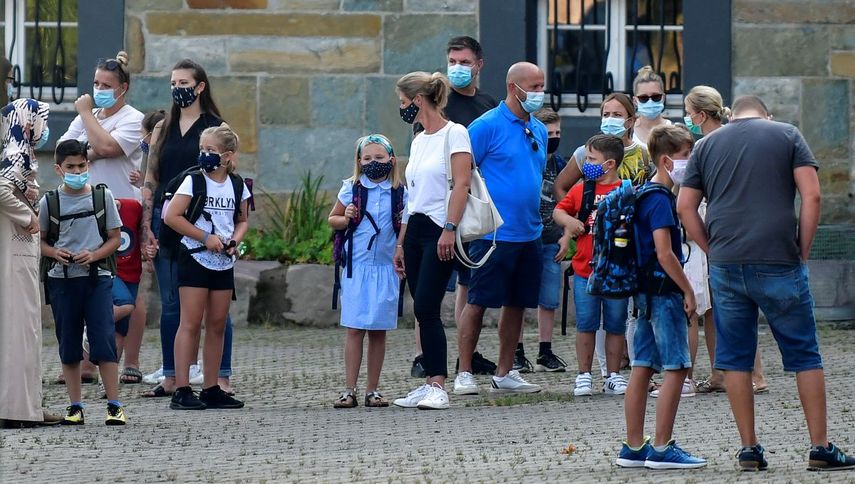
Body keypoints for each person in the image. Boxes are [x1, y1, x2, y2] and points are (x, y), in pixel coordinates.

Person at [677, 95, 855, 471]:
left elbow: (685, 206)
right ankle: (820, 448)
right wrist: (802, 250)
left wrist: (711, 247)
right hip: (779, 257)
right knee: (805, 354)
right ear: (766, 115)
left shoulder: (707, 145)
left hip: (726, 261)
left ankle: (749, 449)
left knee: (736, 358)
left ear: (733, 115)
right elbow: (813, 195)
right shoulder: (787, 135)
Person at [141, 59, 235, 398]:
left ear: (199, 87)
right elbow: (151, 177)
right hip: (168, 222)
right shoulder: (164, 127)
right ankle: (172, 375)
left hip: (206, 223)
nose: (176, 87)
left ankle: (219, 376)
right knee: (172, 304)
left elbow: (229, 178)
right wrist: (146, 226)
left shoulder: (215, 126)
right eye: (173, 81)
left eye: (183, 81)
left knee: (215, 306)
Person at [453, 61, 546, 396]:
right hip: (494, 234)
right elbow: (462, 173)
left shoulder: (539, 128)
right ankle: (464, 371)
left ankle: (505, 372)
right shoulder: (485, 126)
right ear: (513, 87)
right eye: (533, 87)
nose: (539, 93)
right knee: (478, 301)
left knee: (518, 304)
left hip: (529, 232)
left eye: (541, 86)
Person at [616, 124, 706, 469]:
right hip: (663, 293)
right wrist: (688, 289)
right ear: (667, 160)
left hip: (643, 294)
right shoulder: (661, 200)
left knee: (642, 366)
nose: (691, 163)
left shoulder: (643, 193)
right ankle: (663, 447)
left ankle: (634, 446)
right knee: (677, 367)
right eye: (687, 156)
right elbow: (665, 253)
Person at [410, 36, 499, 379]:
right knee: (427, 298)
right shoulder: (437, 110)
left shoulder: (487, 106)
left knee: (467, 284)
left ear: (479, 65)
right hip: (433, 214)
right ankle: (425, 356)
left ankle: (466, 351)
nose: (457, 67)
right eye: (452, 60)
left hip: (464, 211)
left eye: (464, 61)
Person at [553, 93, 651, 378]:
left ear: (631, 120)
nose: (610, 120)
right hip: (588, 259)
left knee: (621, 318)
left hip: (622, 256)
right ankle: (594, 371)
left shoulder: (642, 154)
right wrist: (571, 226)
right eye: (605, 114)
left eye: (617, 115)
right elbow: (562, 195)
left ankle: (624, 370)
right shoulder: (587, 155)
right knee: (588, 319)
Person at [392, 71, 471, 410]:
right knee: (420, 311)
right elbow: (413, 196)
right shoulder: (419, 138)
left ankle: (438, 383)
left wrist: (450, 228)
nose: (402, 107)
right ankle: (428, 382)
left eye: (403, 101)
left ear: (418, 100)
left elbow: (461, 185)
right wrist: (400, 242)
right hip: (417, 230)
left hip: (441, 228)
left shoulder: (456, 134)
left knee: (427, 306)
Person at [681, 85, 768, 395]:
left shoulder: (708, 145)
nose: (687, 118)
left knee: (733, 309)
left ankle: (754, 374)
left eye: (689, 113)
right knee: (721, 311)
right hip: (734, 227)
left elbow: (692, 198)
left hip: (717, 230)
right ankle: (722, 373)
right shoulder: (733, 138)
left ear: (701, 115)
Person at [40, 139, 125, 425]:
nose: (77, 171)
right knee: (69, 342)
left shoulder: (102, 197)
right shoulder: (49, 202)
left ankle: (114, 405)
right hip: (62, 281)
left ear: (88, 165)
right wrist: (54, 253)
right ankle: (75, 405)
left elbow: (115, 237)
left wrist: (95, 255)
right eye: (70, 167)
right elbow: (38, 241)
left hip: (97, 278)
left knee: (103, 339)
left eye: (81, 166)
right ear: (58, 169)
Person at [166, 125, 249, 410]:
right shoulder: (193, 181)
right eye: (202, 150)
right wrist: (205, 237)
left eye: (211, 151)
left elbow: (242, 220)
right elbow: (171, 217)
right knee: (190, 322)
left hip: (223, 261)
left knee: (217, 324)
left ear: (227, 156)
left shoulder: (237, 185)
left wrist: (234, 241)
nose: (205, 156)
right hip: (195, 255)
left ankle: (212, 386)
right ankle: (182, 387)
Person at [329, 134, 406, 408]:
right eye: (368, 159)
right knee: (354, 328)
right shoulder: (351, 189)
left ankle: (372, 389)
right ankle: (349, 388)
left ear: (391, 160)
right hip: (356, 268)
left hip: (384, 268)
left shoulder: (399, 192)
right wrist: (345, 216)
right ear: (359, 162)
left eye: (380, 158)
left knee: (378, 330)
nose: (374, 163)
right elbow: (333, 219)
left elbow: (404, 224)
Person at [0, 95, 62, 428]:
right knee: (22, 330)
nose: (45, 129)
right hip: (16, 250)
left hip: (16, 251)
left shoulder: (18, 153)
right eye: (42, 120)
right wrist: (28, 216)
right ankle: (20, 409)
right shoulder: (17, 154)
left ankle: (24, 406)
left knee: (19, 331)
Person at [553, 135, 629, 397]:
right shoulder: (582, 189)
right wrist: (569, 222)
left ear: (609, 164)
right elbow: (559, 210)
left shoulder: (626, 191)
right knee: (586, 323)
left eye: (592, 159)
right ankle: (584, 374)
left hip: (617, 272)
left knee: (616, 324)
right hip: (586, 270)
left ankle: (613, 374)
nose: (586, 163)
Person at [513, 107, 569, 373]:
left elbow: (569, 203)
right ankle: (517, 350)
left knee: (548, 298)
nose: (554, 137)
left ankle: (545, 350)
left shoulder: (561, 165)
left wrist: (566, 235)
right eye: (549, 133)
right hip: (525, 235)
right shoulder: (526, 159)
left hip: (551, 237)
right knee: (520, 296)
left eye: (558, 132)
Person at [58, 51, 143, 199]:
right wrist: (92, 152)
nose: (99, 89)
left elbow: (106, 148)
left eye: (106, 85)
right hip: (84, 201)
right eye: (96, 83)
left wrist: (86, 113)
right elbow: (61, 151)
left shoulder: (134, 118)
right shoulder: (87, 116)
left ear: (123, 88)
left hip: (120, 202)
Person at [121, 109, 166, 385]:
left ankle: (176, 365)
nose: (142, 139)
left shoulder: (159, 157)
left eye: (144, 134)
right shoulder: (147, 157)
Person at [632, 66, 672, 145]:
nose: (650, 102)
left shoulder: (674, 131)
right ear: (635, 101)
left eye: (656, 97)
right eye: (643, 98)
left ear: (663, 98)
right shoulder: (628, 132)